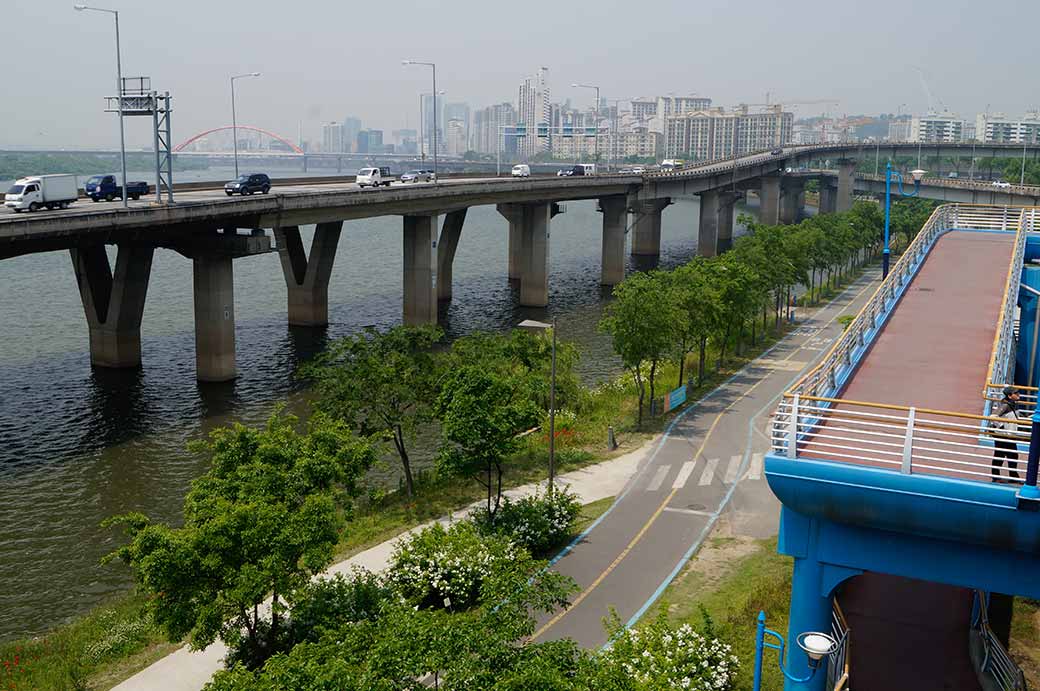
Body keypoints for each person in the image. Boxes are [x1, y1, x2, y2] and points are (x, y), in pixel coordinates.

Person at [991, 386, 1023, 483]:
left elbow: (1015, 417)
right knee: (1001, 455)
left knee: (1012, 455)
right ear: (1009, 396)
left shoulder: (1014, 405)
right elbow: (993, 417)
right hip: (1003, 435)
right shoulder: (1005, 406)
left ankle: (1011, 477)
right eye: (1016, 393)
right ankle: (997, 477)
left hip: (1009, 435)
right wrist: (1002, 427)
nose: (1018, 395)